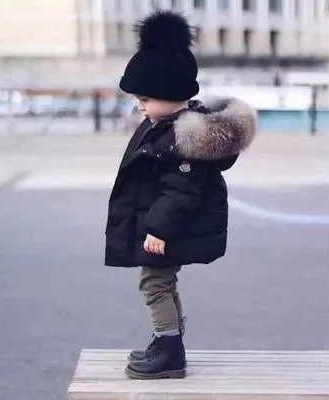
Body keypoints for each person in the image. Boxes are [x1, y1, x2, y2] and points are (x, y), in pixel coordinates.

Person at [104, 10, 257, 380]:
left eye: (145, 98)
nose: (139, 106)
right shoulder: (165, 126)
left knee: (154, 283)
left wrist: (158, 229)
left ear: (172, 94)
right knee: (163, 282)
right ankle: (168, 343)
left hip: (167, 230)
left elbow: (181, 191)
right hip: (167, 227)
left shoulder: (182, 138)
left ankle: (169, 348)